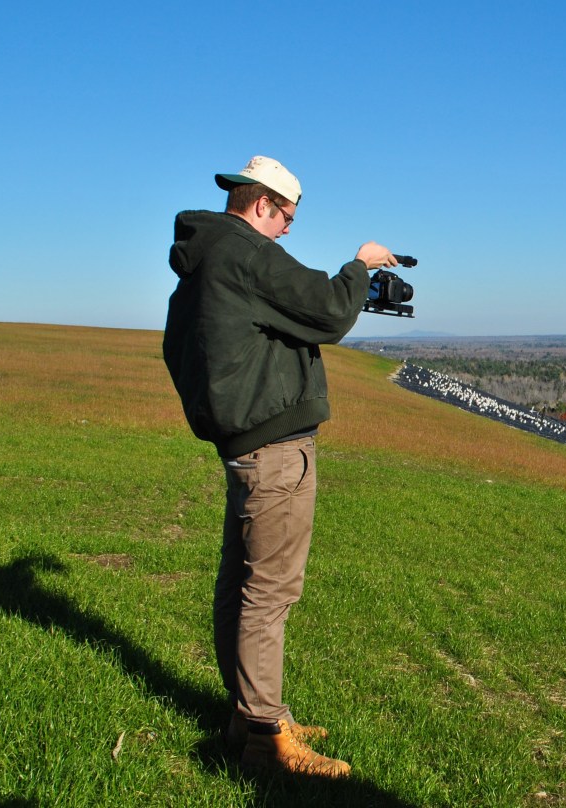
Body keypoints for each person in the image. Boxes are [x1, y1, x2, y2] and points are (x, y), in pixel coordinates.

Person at [162, 155, 396, 777]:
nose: (289, 230)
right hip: (275, 450)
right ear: (262, 204)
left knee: (239, 584)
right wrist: (361, 265)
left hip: (241, 446)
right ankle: (266, 741)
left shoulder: (204, 259)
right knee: (269, 593)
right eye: (287, 216)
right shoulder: (244, 251)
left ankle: (250, 714)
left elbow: (178, 347)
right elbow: (327, 311)